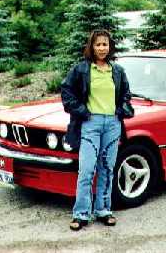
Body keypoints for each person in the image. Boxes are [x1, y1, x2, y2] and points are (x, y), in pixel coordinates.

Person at [60, 29, 134, 231]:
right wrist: (82, 110)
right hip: (90, 125)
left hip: (112, 125)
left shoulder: (117, 71)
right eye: (98, 44)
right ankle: (81, 213)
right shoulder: (82, 70)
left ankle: (103, 210)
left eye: (105, 44)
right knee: (86, 170)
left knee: (107, 169)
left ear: (110, 47)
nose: (102, 48)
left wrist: (121, 110)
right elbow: (66, 91)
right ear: (91, 47)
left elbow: (126, 94)